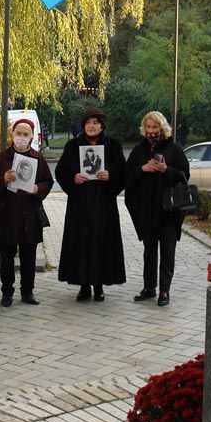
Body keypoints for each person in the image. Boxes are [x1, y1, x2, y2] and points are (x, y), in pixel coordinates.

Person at [56, 107, 126, 301]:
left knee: (102, 244)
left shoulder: (113, 146)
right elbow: (61, 172)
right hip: (80, 205)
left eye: (95, 122)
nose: (92, 126)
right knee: (81, 243)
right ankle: (83, 286)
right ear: (83, 125)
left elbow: (123, 172)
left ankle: (99, 285)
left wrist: (110, 175)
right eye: (88, 122)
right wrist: (73, 178)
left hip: (104, 205)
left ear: (102, 125)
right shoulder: (72, 146)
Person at [124, 111, 190, 307]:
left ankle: (164, 290)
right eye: (148, 127)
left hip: (169, 211)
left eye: (155, 127)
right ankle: (149, 287)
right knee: (149, 250)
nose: (151, 131)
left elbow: (185, 176)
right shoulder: (139, 150)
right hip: (147, 209)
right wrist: (142, 169)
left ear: (163, 128)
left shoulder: (174, 149)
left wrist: (166, 170)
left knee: (168, 251)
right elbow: (127, 175)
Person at [0, 118, 53, 307]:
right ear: (13, 135)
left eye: (26, 134)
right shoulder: (1, 158)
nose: (22, 138)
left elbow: (48, 181)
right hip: (7, 214)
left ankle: (28, 292)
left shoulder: (37, 157)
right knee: (7, 255)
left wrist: (37, 189)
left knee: (28, 255)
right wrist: (3, 179)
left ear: (32, 136)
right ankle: (7, 291)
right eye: (19, 134)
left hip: (29, 216)